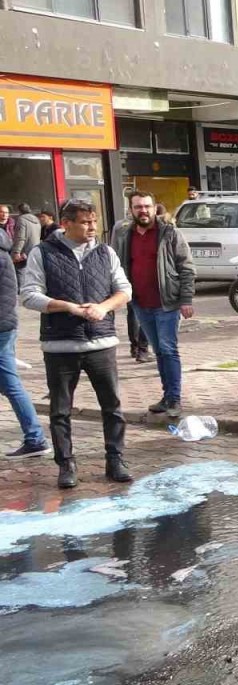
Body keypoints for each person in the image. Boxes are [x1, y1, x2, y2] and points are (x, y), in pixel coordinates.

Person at [20, 200, 133, 488]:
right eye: (85, 222)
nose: (92, 227)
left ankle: (115, 459)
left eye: (94, 221)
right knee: (60, 410)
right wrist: (67, 307)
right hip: (60, 346)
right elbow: (30, 295)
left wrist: (104, 307)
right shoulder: (42, 253)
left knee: (113, 406)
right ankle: (66, 464)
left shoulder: (106, 252)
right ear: (66, 223)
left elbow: (124, 290)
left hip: (101, 342)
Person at [110, 191, 196, 419]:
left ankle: (175, 399)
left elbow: (186, 267)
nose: (143, 211)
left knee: (168, 350)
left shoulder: (169, 233)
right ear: (131, 210)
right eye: (138, 207)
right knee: (158, 351)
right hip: (140, 304)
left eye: (147, 206)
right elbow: (116, 267)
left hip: (166, 303)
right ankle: (166, 397)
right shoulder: (125, 234)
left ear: (154, 207)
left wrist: (186, 299)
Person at [0, 222, 50, 459]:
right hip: (5, 326)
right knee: (8, 384)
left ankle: (35, 438)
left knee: (10, 385)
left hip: (1, 329)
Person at [107, 217, 152, 364]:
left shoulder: (119, 225)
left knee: (134, 312)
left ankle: (135, 347)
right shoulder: (147, 227)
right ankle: (142, 348)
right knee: (146, 312)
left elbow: (113, 249)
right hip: (136, 274)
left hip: (125, 273)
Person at [10, 203, 40, 271]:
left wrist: (16, 252)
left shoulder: (21, 219)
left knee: (20, 273)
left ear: (19, 211)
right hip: (34, 250)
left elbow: (20, 237)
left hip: (23, 252)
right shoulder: (36, 220)